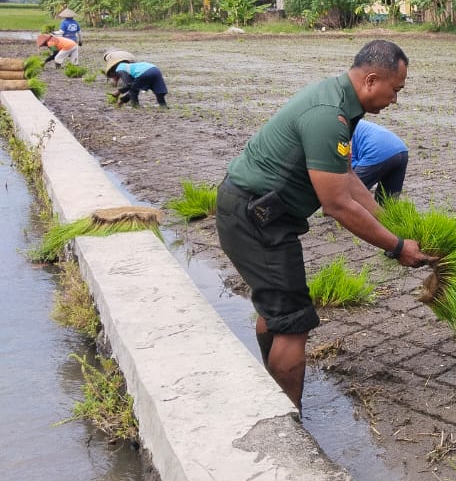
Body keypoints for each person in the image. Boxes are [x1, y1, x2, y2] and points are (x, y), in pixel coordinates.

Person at [215, 39, 433, 409]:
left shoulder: (341, 104)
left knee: (277, 311)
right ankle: (288, 418)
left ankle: (273, 393)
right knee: (293, 322)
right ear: (371, 80)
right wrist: (396, 248)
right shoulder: (328, 115)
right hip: (257, 219)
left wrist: (392, 227)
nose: (395, 99)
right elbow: (336, 204)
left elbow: (346, 177)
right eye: (395, 90)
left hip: (256, 213)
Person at [351, 119, 409, 204]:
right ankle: (391, 217)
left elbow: (347, 167)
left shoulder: (338, 129)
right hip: (401, 149)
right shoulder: (350, 121)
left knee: (349, 192)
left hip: (376, 151)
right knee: (388, 202)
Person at [104, 51, 169, 108]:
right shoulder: (130, 66)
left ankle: (133, 105)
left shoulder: (120, 69)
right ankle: (163, 106)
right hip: (155, 69)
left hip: (144, 72)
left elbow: (129, 85)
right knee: (158, 89)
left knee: (133, 90)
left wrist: (118, 92)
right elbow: (134, 85)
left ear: (113, 72)